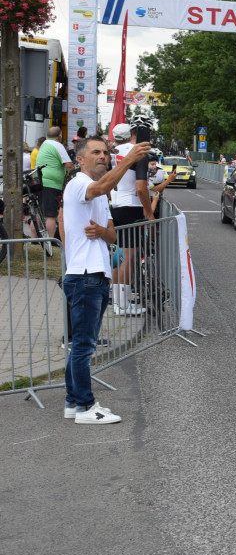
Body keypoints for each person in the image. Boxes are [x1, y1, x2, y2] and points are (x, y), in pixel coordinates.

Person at [59, 135, 151, 424]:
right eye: (95, 152)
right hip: (84, 276)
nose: (103, 156)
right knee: (85, 346)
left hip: (96, 275)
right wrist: (129, 160)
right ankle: (86, 407)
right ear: (80, 159)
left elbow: (113, 235)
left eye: (105, 152)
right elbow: (101, 185)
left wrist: (101, 231)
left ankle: (73, 402)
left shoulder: (101, 196)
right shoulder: (79, 184)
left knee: (82, 345)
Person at [109, 118, 157, 316]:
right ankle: (123, 305)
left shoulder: (113, 151)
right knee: (129, 258)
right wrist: (149, 211)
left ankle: (116, 298)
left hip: (115, 204)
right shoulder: (139, 152)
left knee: (118, 254)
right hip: (131, 206)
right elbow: (141, 187)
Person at [34, 127, 75, 238]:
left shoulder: (45, 144)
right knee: (50, 215)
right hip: (51, 184)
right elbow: (69, 166)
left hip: (39, 181)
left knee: (38, 213)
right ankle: (52, 241)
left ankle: (34, 240)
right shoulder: (57, 145)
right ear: (59, 137)